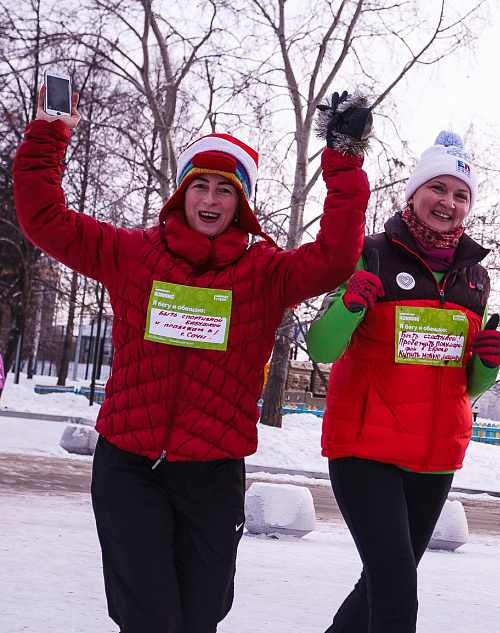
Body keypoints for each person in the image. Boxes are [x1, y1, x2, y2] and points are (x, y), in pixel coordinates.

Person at [13, 86, 371, 632]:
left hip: (212, 472)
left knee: (201, 616)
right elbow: (45, 219)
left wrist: (343, 160)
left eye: (225, 189)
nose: (210, 198)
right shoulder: (133, 254)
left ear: (241, 202)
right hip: (130, 466)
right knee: (150, 616)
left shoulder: (265, 273)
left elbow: (335, 257)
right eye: (199, 183)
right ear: (181, 193)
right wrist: (49, 133)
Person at [307, 131, 500, 633]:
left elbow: (468, 384)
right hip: (365, 449)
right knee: (396, 597)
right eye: (438, 188)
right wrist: (351, 306)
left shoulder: (475, 279)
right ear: (414, 193)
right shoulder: (371, 253)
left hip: (435, 456)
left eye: (461, 194)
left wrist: (487, 363)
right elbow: (321, 349)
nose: (448, 201)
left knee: (379, 586)